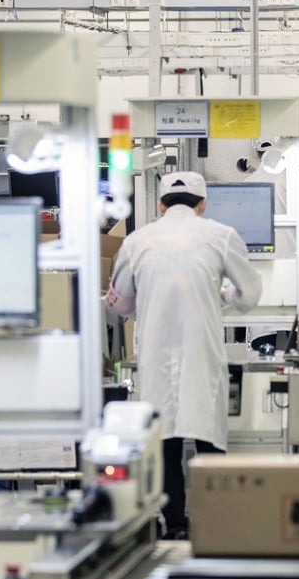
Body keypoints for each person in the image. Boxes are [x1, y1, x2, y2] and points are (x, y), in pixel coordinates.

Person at [105, 172, 262, 540]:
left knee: (165, 441)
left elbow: (120, 301)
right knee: (208, 439)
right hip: (202, 351)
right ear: (202, 203)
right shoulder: (221, 236)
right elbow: (251, 293)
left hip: (155, 352)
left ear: (160, 205)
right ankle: (215, 527)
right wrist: (224, 297)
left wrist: (141, 305)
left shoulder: (136, 240)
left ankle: (173, 526)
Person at [246, 138, 299, 275]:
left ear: (256, 153)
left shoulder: (246, 183)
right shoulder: (295, 181)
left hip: (256, 272)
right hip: (290, 271)